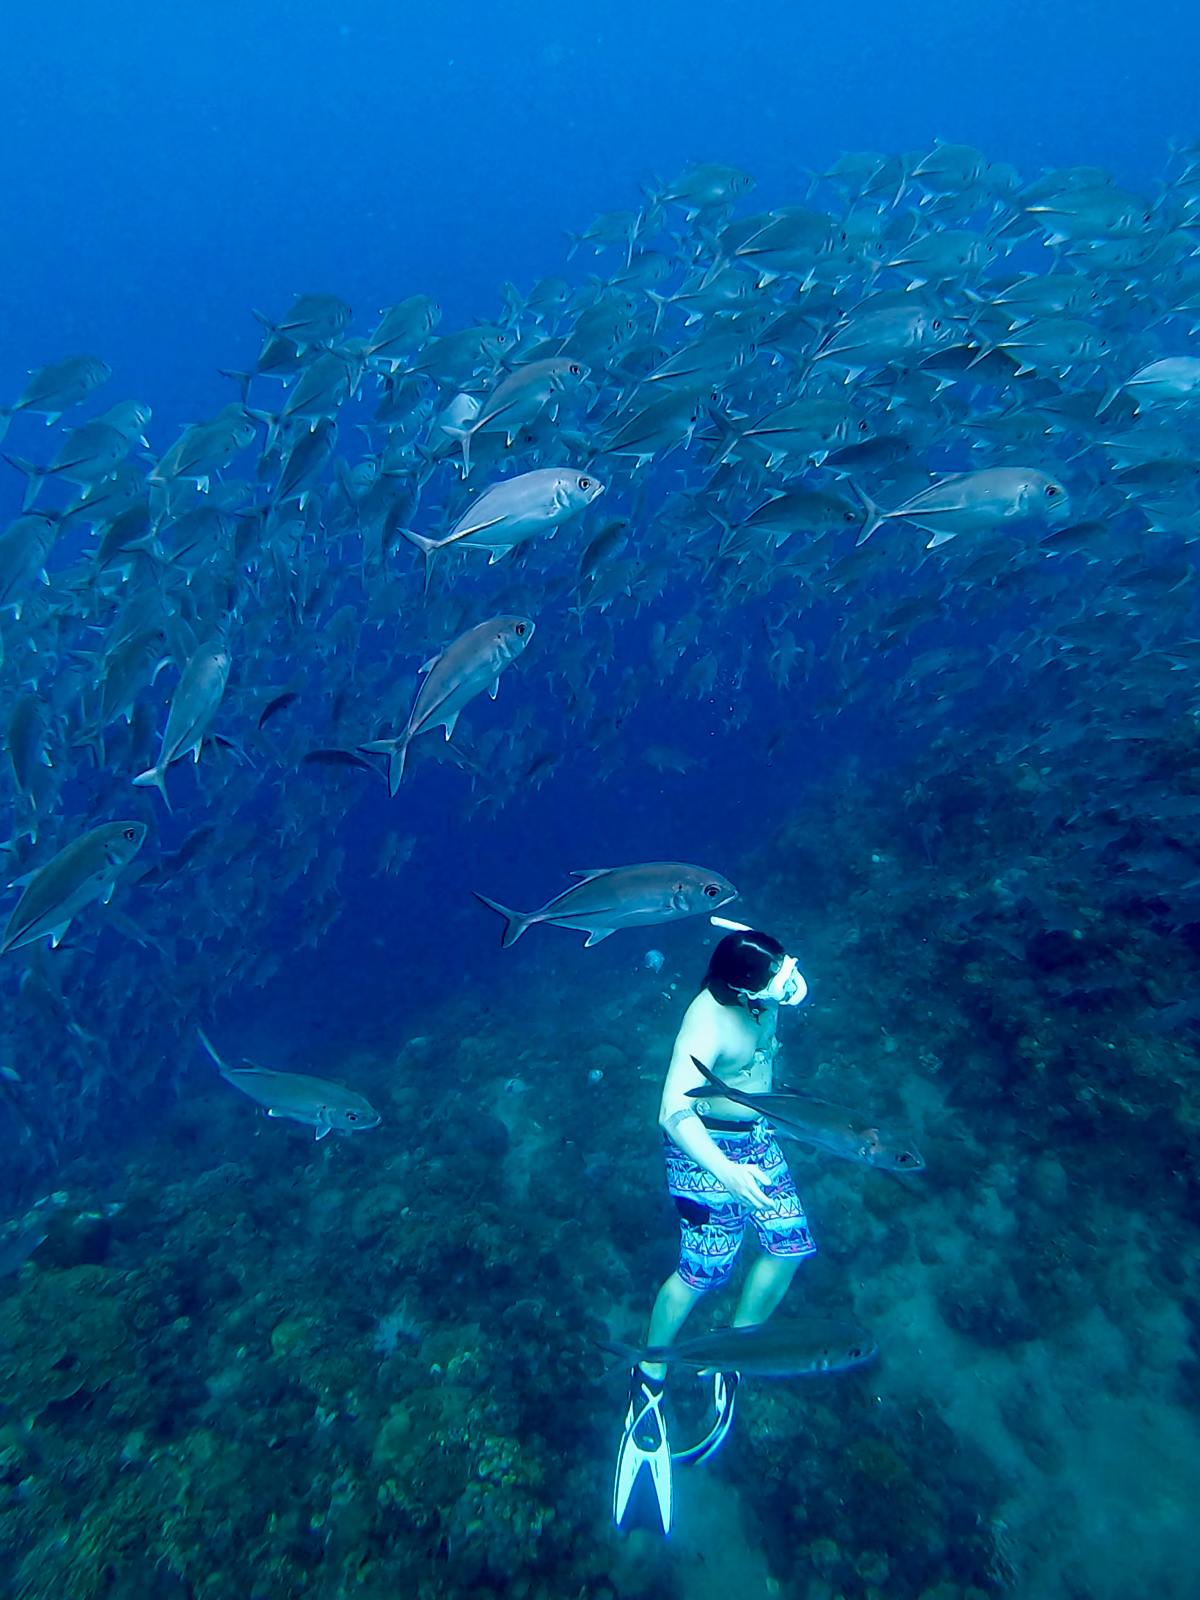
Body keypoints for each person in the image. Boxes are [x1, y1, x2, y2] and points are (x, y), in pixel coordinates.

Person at [613, 923, 817, 1535]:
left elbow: (749, 947)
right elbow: (671, 1110)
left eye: (785, 967)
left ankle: (735, 1349)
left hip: (758, 1138)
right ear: (741, 989)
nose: (788, 980)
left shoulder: (759, 985)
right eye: (776, 974)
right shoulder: (706, 1022)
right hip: (707, 1154)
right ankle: (649, 1380)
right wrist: (726, 1174)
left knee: (789, 1244)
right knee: (703, 1270)